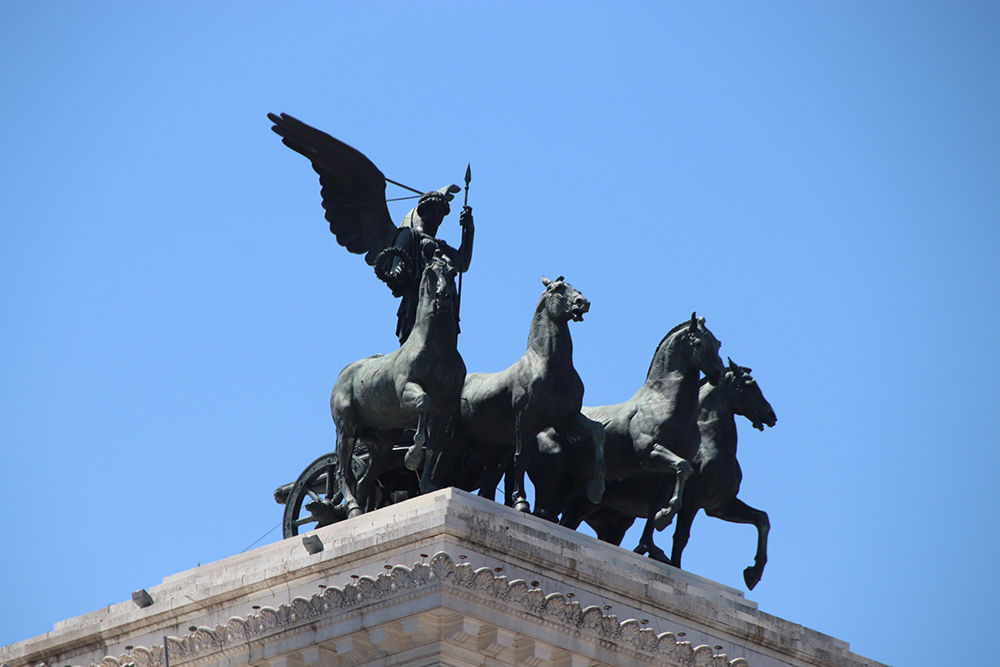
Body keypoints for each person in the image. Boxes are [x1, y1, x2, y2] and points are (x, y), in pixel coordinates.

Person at [376, 186, 474, 344]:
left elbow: (462, 265)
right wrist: (398, 269)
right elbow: (397, 261)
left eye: (442, 212)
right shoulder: (409, 235)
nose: (438, 215)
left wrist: (469, 231)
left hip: (445, 304)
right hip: (419, 301)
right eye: (434, 210)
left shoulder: (442, 245)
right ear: (422, 212)